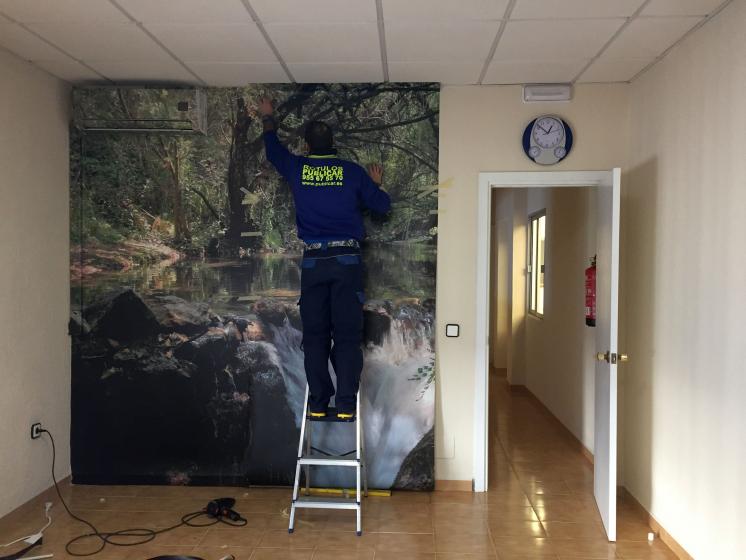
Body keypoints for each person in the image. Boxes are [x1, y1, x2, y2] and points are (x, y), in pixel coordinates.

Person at [258, 98, 391, 420]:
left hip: (314, 262)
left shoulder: (297, 167)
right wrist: (374, 186)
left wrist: (268, 119)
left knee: (315, 336)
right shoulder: (351, 171)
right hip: (347, 259)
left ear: (306, 145)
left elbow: (274, 152)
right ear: (333, 144)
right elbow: (382, 207)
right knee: (346, 336)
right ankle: (346, 406)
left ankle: (317, 404)